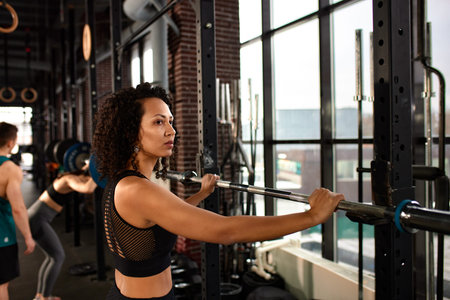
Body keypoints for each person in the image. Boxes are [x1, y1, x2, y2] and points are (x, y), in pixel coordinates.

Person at [92, 83, 345, 300]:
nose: (172, 130)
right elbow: (226, 231)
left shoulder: (124, 182)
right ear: (131, 133)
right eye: (159, 122)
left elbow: (165, 219)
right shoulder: (138, 190)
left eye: (170, 121)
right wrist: (311, 217)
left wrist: (201, 194)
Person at [28, 163, 97, 300]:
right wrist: (101, 171)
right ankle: (44, 297)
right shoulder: (68, 179)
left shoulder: (68, 177)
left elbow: (86, 180)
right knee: (57, 257)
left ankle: (41, 296)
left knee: (51, 257)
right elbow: (88, 187)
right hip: (38, 219)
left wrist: (91, 168)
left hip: (36, 217)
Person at [0, 122, 36, 300]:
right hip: (2, 238)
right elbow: (18, 209)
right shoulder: (10, 170)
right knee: (1, 285)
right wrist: (28, 237)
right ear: (10, 143)